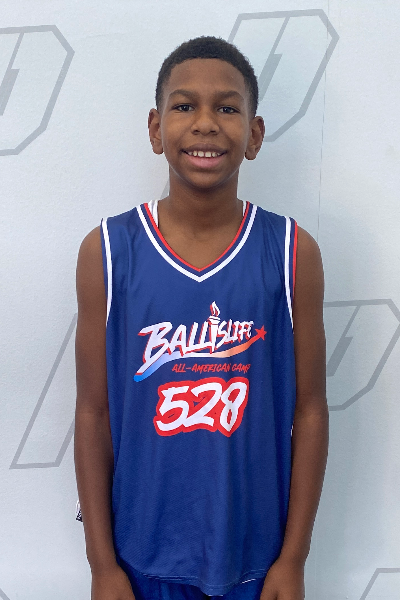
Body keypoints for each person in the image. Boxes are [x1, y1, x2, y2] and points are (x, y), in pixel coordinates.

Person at [74, 35, 329, 600]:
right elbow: (93, 413)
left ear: (255, 135)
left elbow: (310, 410)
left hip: (256, 560)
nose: (206, 123)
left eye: (228, 108)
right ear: (155, 128)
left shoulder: (291, 252)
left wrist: (293, 560)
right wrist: (101, 565)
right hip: (140, 561)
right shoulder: (109, 251)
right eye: (185, 105)